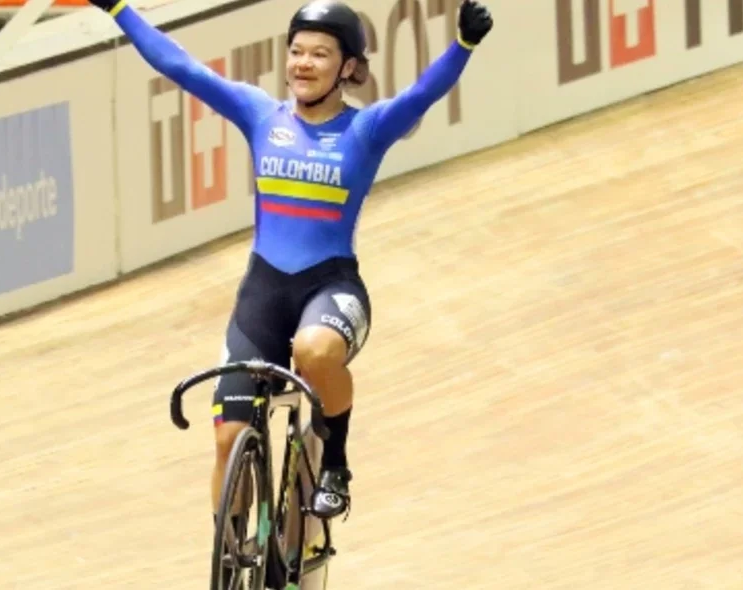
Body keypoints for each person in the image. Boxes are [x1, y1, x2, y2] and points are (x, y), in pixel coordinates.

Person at [88, 0, 493, 522]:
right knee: (228, 439)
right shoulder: (260, 113)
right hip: (263, 294)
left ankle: (336, 466)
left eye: (319, 54)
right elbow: (179, 66)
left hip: (329, 287)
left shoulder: (364, 130)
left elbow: (421, 95)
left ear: (347, 68)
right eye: (296, 51)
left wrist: (463, 46)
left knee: (313, 351)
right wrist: (119, 8)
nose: (303, 63)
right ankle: (233, 554)